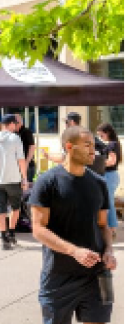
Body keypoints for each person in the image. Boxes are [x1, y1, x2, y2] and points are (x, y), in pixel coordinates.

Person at [30, 126, 117, 324]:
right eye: (87, 145)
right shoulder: (47, 182)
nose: (92, 151)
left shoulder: (99, 183)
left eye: (94, 145)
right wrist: (74, 251)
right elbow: (38, 228)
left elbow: (103, 225)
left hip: (97, 275)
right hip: (58, 277)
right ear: (69, 147)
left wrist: (109, 251)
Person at [0, 114, 28, 250]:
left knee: (0, 209)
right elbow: (21, 159)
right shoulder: (15, 138)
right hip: (13, 179)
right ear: (12, 124)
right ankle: (12, 233)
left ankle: (3, 238)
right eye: (16, 124)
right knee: (15, 207)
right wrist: (24, 177)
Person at [42, 112, 108, 176]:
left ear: (72, 122)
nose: (65, 125)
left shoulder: (75, 137)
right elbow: (104, 149)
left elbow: (65, 158)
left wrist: (48, 156)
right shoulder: (87, 134)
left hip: (84, 175)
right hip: (95, 174)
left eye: (66, 122)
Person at [97, 123, 122, 236]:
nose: (101, 137)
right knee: (107, 201)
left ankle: (112, 228)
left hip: (110, 175)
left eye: (101, 135)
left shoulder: (112, 145)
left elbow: (112, 161)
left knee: (109, 202)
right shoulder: (114, 144)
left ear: (107, 132)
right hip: (111, 175)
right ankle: (111, 227)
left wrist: (97, 164)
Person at [15, 114, 36, 182]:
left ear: (20, 122)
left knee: (26, 188)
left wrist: (26, 162)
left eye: (14, 122)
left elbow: (32, 147)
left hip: (27, 166)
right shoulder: (14, 133)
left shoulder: (26, 132)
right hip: (18, 165)